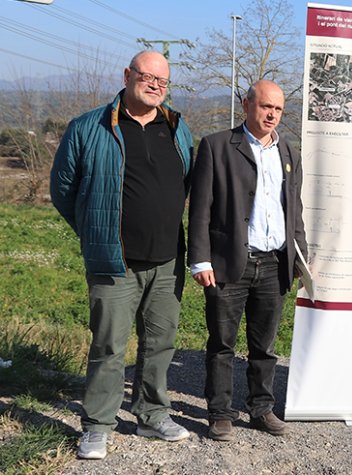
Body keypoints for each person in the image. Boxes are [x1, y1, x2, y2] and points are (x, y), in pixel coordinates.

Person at [50, 51, 193, 460]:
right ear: (128, 75)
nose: (155, 86)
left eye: (162, 81)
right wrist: (94, 230)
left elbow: (186, 181)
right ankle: (97, 425)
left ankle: (151, 415)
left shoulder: (176, 126)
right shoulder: (88, 127)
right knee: (109, 346)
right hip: (115, 262)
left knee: (160, 343)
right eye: (148, 77)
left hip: (167, 261)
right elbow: (63, 190)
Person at [187, 80, 307, 442]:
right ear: (246, 105)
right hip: (229, 263)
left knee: (264, 346)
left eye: (278, 109)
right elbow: (201, 209)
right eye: (266, 106)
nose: (272, 115)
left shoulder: (289, 152)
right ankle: (220, 413)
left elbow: (294, 211)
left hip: (274, 264)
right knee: (222, 343)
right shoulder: (217, 146)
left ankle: (261, 408)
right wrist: (200, 259)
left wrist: (299, 255)